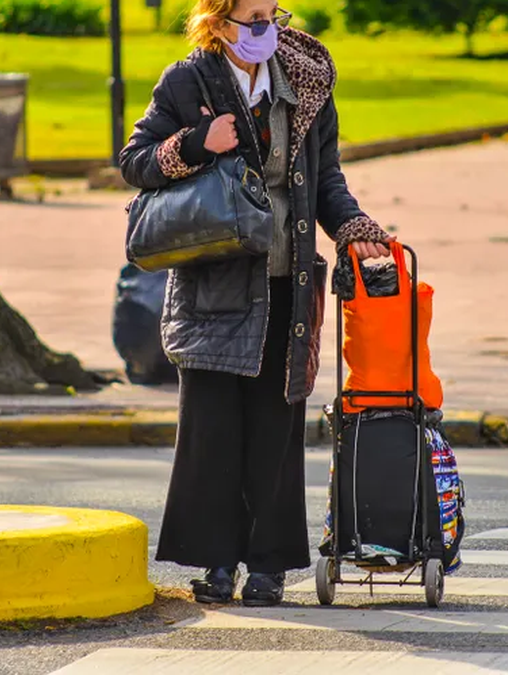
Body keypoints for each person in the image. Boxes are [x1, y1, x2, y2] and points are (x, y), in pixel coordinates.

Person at [118, 0, 393, 607]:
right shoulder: (187, 81)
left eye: (275, 15)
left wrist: (355, 229)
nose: (270, 30)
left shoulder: (307, 86)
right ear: (218, 23)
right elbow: (134, 163)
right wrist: (196, 142)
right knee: (211, 429)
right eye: (255, 19)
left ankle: (268, 567)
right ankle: (217, 564)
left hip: (284, 284)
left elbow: (327, 183)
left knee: (276, 426)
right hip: (213, 283)